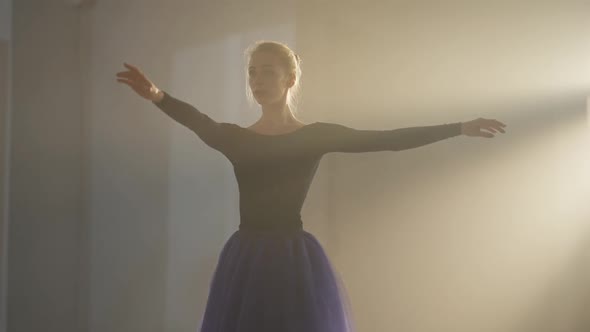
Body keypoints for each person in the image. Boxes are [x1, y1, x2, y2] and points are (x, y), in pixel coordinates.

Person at [116, 40, 506, 332]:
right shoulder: (236, 138)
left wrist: (457, 128)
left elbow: (385, 138)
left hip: (293, 261)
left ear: (289, 78)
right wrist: (156, 95)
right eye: (252, 71)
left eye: (267, 71)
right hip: (247, 259)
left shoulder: (314, 136)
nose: (257, 79)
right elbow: (197, 120)